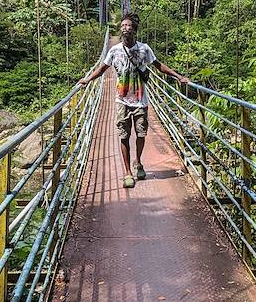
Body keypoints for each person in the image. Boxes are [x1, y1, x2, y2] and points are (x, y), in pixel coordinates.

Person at [79, 12, 189, 188]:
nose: (125, 28)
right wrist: (87, 79)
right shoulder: (114, 50)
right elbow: (102, 69)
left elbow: (159, 66)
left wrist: (178, 76)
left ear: (134, 29)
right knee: (124, 136)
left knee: (141, 135)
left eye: (128, 25)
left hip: (140, 100)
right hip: (121, 100)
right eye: (122, 26)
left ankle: (138, 162)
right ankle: (127, 173)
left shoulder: (144, 49)